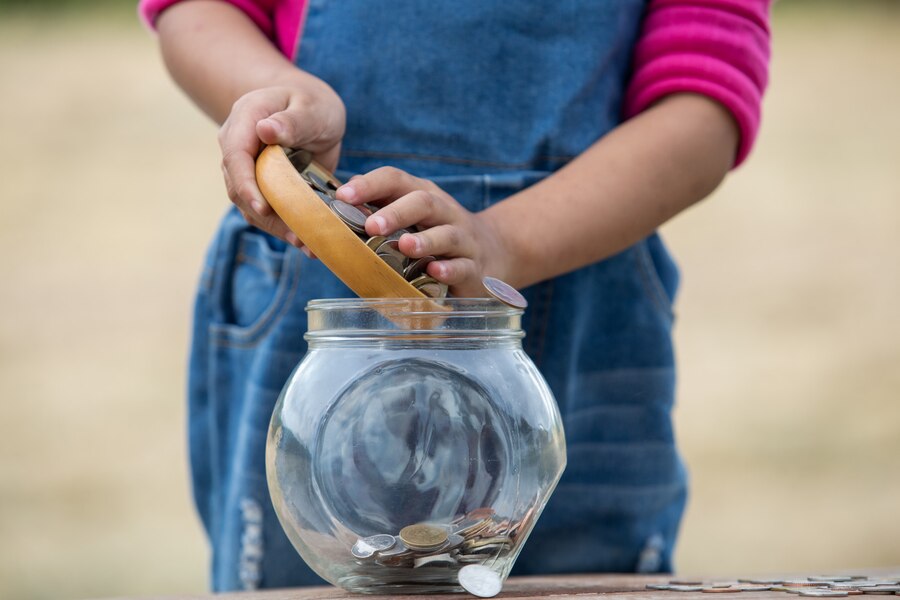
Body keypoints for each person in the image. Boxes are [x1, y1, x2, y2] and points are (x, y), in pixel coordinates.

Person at [140, 0, 771, 591]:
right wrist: (286, 96)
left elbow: (705, 96)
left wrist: (504, 242)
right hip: (316, 308)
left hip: (581, 297)